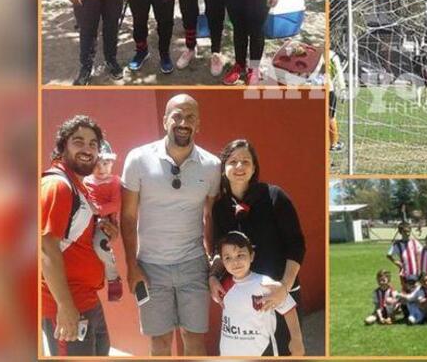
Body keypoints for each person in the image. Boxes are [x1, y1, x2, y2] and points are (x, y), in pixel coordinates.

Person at [120, 94, 221, 356]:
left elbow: (210, 215)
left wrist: (212, 258)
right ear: (165, 120)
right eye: (177, 115)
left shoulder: (212, 167)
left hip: (193, 265)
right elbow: (128, 217)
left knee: (194, 339)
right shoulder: (138, 159)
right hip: (150, 268)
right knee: (160, 342)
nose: (183, 122)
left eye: (190, 117)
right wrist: (132, 266)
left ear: (198, 124)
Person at [209, 139, 305, 355]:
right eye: (233, 161)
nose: (240, 167)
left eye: (246, 161)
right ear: (224, 169)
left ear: (254, 167)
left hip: (280, 291)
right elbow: (218, 250)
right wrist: (213, 277)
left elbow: (296, 245)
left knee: (285, 351)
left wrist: (283, 288)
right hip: (246, 297)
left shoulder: (274, 197)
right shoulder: (221, 208)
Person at [41, 115, 119, 356]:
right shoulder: (58, 186)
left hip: (88, 301)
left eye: (93, 144)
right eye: (78, 141)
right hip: (66, 305)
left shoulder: (78, 185)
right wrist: (64, 307)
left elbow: (75, 234)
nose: (87, 149)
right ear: (63, 146)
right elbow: (45, 247)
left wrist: (105, 230)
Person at [217, 232, 303, 356]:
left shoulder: (264, 283)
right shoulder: (222, 286)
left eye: (240, 255)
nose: (235, 262)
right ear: (223, 262)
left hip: (261, 352)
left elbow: (289, 308)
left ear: (251, 256)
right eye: (228, 258)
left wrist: (296, 340)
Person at [82, 140, 123, 302]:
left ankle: (112, 276)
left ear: (112, 163)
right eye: (97, 164)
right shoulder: (86, 181)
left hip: (104, 222)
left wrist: (98, 210)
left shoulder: (114, 182)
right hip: (85, 221)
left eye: (105, 163)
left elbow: (116, 204)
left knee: (101, 245)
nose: (101, 169)